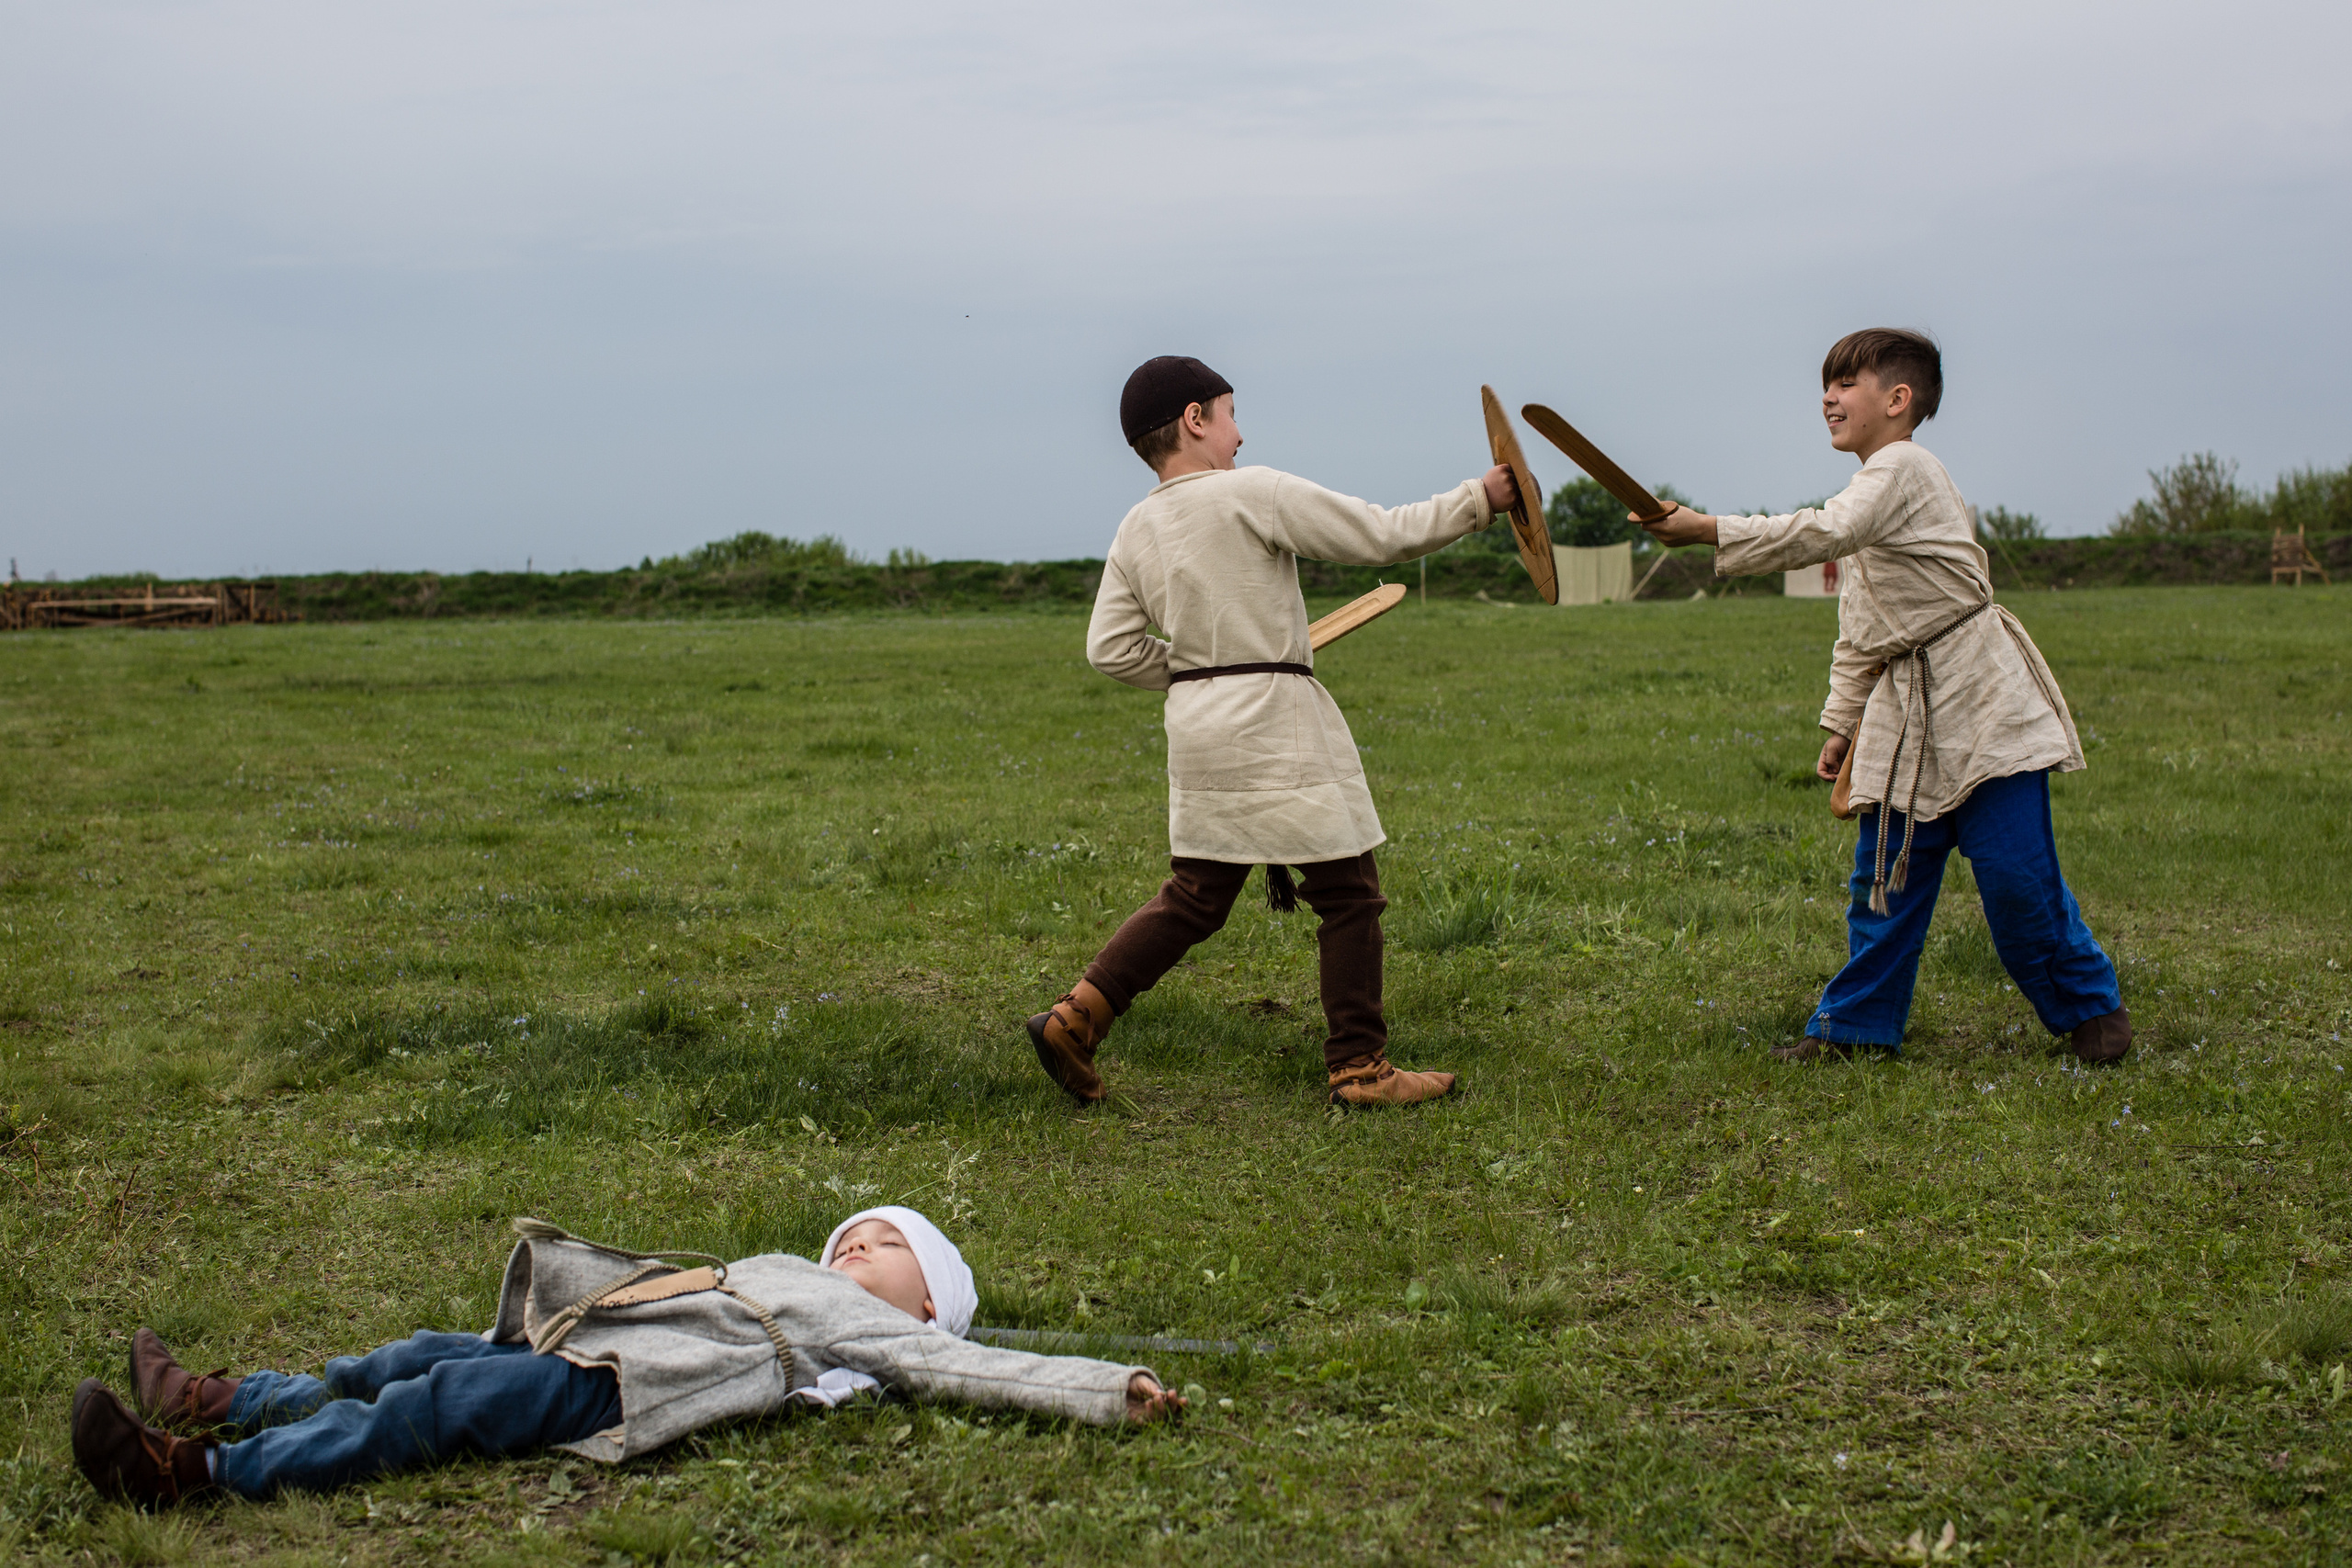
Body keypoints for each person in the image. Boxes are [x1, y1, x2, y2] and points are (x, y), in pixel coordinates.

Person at [1027, 355, 1520, 1109]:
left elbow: (1112, 649)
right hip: (1272, 723)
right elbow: (1381, 536)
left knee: (1195, 896)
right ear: (1195, 419)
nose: (1240, 432)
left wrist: (1198, 669)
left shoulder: (1137, 526)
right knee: (1349, 893)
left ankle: (1076, 1017)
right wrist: (1478, 499)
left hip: (1198, 725)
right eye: (1229, 413)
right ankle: (1360, 1068)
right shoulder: (1250, 492)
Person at [1637, 328, 2130, 1065]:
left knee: (2017, 881)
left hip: (1980, 701)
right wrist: (1842, 724)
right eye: (1826, 385)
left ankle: (2093, 1013)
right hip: (1905, 715)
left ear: (1897, 400)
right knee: (1882, 885)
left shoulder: (1903, 468)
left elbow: (1825, 530)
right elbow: (1862, 628)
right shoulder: (1874, 493)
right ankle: (1857, 1027)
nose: (1828, 398)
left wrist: (1707, 528)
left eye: (1846, 383)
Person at [71, 1206, 1182, 1506]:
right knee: (408, 1355)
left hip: (616, 1380)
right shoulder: (792, 1269)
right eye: (853, 1231)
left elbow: (979, 1372)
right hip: (593, 1327)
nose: (859, 1246)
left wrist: (1107, 1388)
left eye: (892, 1245)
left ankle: (196, 1473)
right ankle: (230, 1397)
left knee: (433, 1401)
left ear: (930, 1304)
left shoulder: (876, 1333)